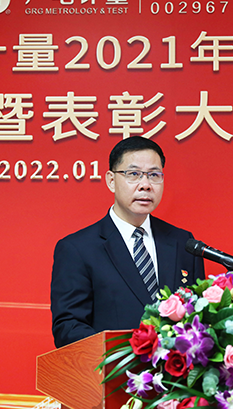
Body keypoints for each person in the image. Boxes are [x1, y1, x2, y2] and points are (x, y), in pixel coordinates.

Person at [50, 137, 205, 348]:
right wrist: (129, 354)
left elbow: (198, 317)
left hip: (176, 368)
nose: (145, 185)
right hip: (114, 367)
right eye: (133, 174)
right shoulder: (78, 249)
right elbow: (68, 328)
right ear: (111, 181)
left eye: (154, 175)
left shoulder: (183, 242)